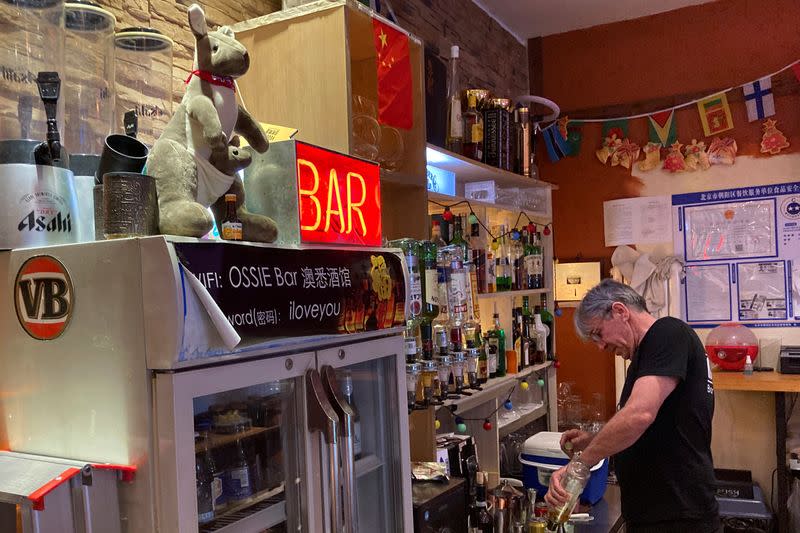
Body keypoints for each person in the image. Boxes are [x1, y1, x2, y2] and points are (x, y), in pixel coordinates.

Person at [545, 279, 720, 533]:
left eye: (598, 333)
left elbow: (640, 414)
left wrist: (580, 465)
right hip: (659, 515)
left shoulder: (667, 333)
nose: (601, 346)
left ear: (620, 311)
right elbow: (653, 426)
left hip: (678, 517)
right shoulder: (650, 354)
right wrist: (592, 440)